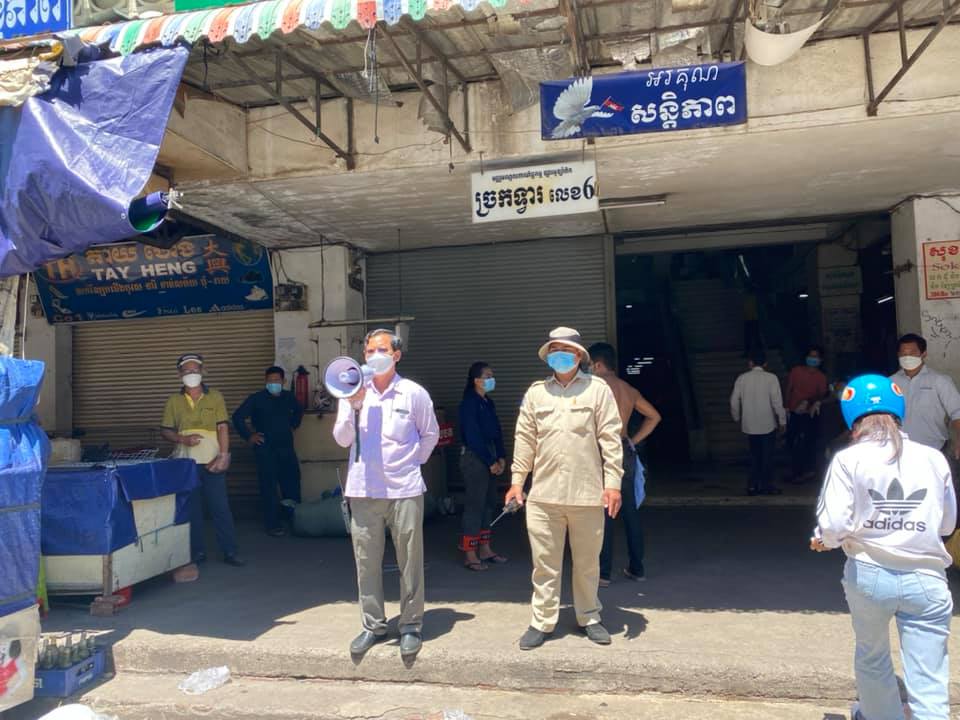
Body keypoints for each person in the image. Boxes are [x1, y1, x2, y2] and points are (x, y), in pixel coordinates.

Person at [812, 374, 956, 720]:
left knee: (872, 657)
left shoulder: (848, 460)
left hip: (869, 575)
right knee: (929, 673)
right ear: (899, 411)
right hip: (927, 578)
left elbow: (834, 525)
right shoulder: (933, 458)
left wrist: (825, 540)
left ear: (852, 418)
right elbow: (947, 524)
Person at [507, 327, 623, 650]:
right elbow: (525, 439)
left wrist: (613, 484)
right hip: (544, 496)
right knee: (545, 564)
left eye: (566, 350)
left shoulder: (597, 390)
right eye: (554, 350)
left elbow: (611, 439)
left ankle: (589, 616)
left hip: (587, 493)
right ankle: (542, 621)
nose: (560, 355)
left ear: (579, 356)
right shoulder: (536, 394)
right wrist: (517, 481)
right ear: (548, 356)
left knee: (587, 563)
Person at [333, 329, 439, 661]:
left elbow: (430, 434)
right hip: (363, 490)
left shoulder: (413, 393)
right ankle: (373, 625)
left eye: (381, 350)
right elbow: (342, 439)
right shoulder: (351, 391)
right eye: (368, 351)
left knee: (410, 560)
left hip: (404, 489)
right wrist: (354, 405)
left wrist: (411, 464)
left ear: (396, 355)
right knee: (366, 561)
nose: (374, 356)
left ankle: (411, 624)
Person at [160, 353, 244, 566]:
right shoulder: (174, 401)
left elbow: (222, 427)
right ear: (179, 374)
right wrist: (182, 439)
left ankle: (230, 551)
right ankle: (197, 553)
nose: (192, 373)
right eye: (187, 370)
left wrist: (224, 455)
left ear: (202, 371)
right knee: (193, 509)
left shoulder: (215, 397)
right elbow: (165, 431)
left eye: (195, 370)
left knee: (220, 508)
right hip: (186, 463)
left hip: (212, 461)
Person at [588, 342, 661, 587]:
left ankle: (603, 573)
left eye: (588, 364)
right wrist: (633, 440)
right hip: (623, 449)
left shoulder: (593, 388)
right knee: (629, 510)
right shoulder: (628, 389)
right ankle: (637, 568)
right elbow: (654, 416)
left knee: (603, 513)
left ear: (597, 365)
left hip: (600, 451)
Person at [232, 366, 304, 537]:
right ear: (265, 382)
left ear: (283, 381)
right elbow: (237, 417)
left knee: (291, 485)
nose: (273, 383)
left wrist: (293, 425)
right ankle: (273, 524)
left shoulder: (288, 397)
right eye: (270, 381)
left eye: (276, 380)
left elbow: (299, 410)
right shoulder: (256, 399)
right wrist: (250, 436)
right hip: (266, 450)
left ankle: (295, 521)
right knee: (269, 487)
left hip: (286, 448)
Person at [458, 361, 507, 571]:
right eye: (487, 376)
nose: (491, 379)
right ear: (477, 380)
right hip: (475, 457)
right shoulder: (469, 403)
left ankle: (485, 548)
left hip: (491, 455)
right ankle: (470, 553)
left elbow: (496, 431)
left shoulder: (488, 402)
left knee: (489, 502)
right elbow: (473, 436)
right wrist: (489, 461)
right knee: (475, 504)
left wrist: (501, 457)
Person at [890, 333, 960, 460]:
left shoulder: (939, 381)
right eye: (903, 354)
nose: (907, 357)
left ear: (923, 354)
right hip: (899, 451)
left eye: (912, 353)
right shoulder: (890, 382)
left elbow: (957, 412)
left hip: (934, 450)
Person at [730, 350, 786, 496]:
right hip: (768, 424)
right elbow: (777, 402)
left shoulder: (742, 378)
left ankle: (752, 485)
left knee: (754, 456)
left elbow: (734, 401)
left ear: (750, 363)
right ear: (765, 364)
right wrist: (782, 420)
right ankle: (767, 486)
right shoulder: (771, 378)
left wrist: (737, 417)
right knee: (768, 456)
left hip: (749, 425)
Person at [784, 345, 829, 483]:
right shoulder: (796, 371)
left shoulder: (821, 377)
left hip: (809, 414)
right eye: (811, 356)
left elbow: (821, 395)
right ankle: (794, 471)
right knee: (792, 441)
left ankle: (804, 471)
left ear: (820, 360)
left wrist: (810, 403)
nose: (813, 359)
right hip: (793, 412)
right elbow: (788, 388)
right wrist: (786, 407)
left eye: (816, 357)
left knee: (806, 443)